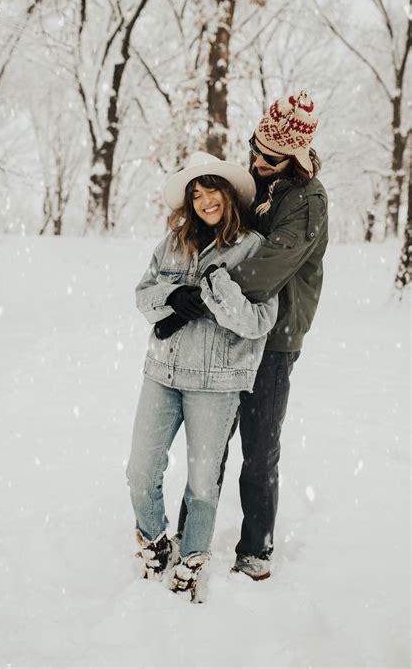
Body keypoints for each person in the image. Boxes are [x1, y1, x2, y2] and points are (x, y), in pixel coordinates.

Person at [178, 91, 329, 581]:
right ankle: (191, 536)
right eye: (254, 150)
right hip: (228, 329)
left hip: (274, 339)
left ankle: (255, 549)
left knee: (258, 448)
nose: (257, 161)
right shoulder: (257, 182)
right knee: (210, 438)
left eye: (270, 157)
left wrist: (204, 292)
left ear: (295, 159)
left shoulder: (306, 200)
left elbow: (265, 271)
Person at [126, 151, 278, 602]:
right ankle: (154, 542)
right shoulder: (173, 243)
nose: (204, 200)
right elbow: (143, 296)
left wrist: (218, 291)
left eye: (211, 189)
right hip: (163, 372)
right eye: (195, 193)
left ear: (227, 194)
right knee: (140, 470)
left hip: (218, 382)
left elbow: (260, 322)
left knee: (202, 482)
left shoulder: (252, 247)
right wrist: (174, 296)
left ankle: (192, 559)